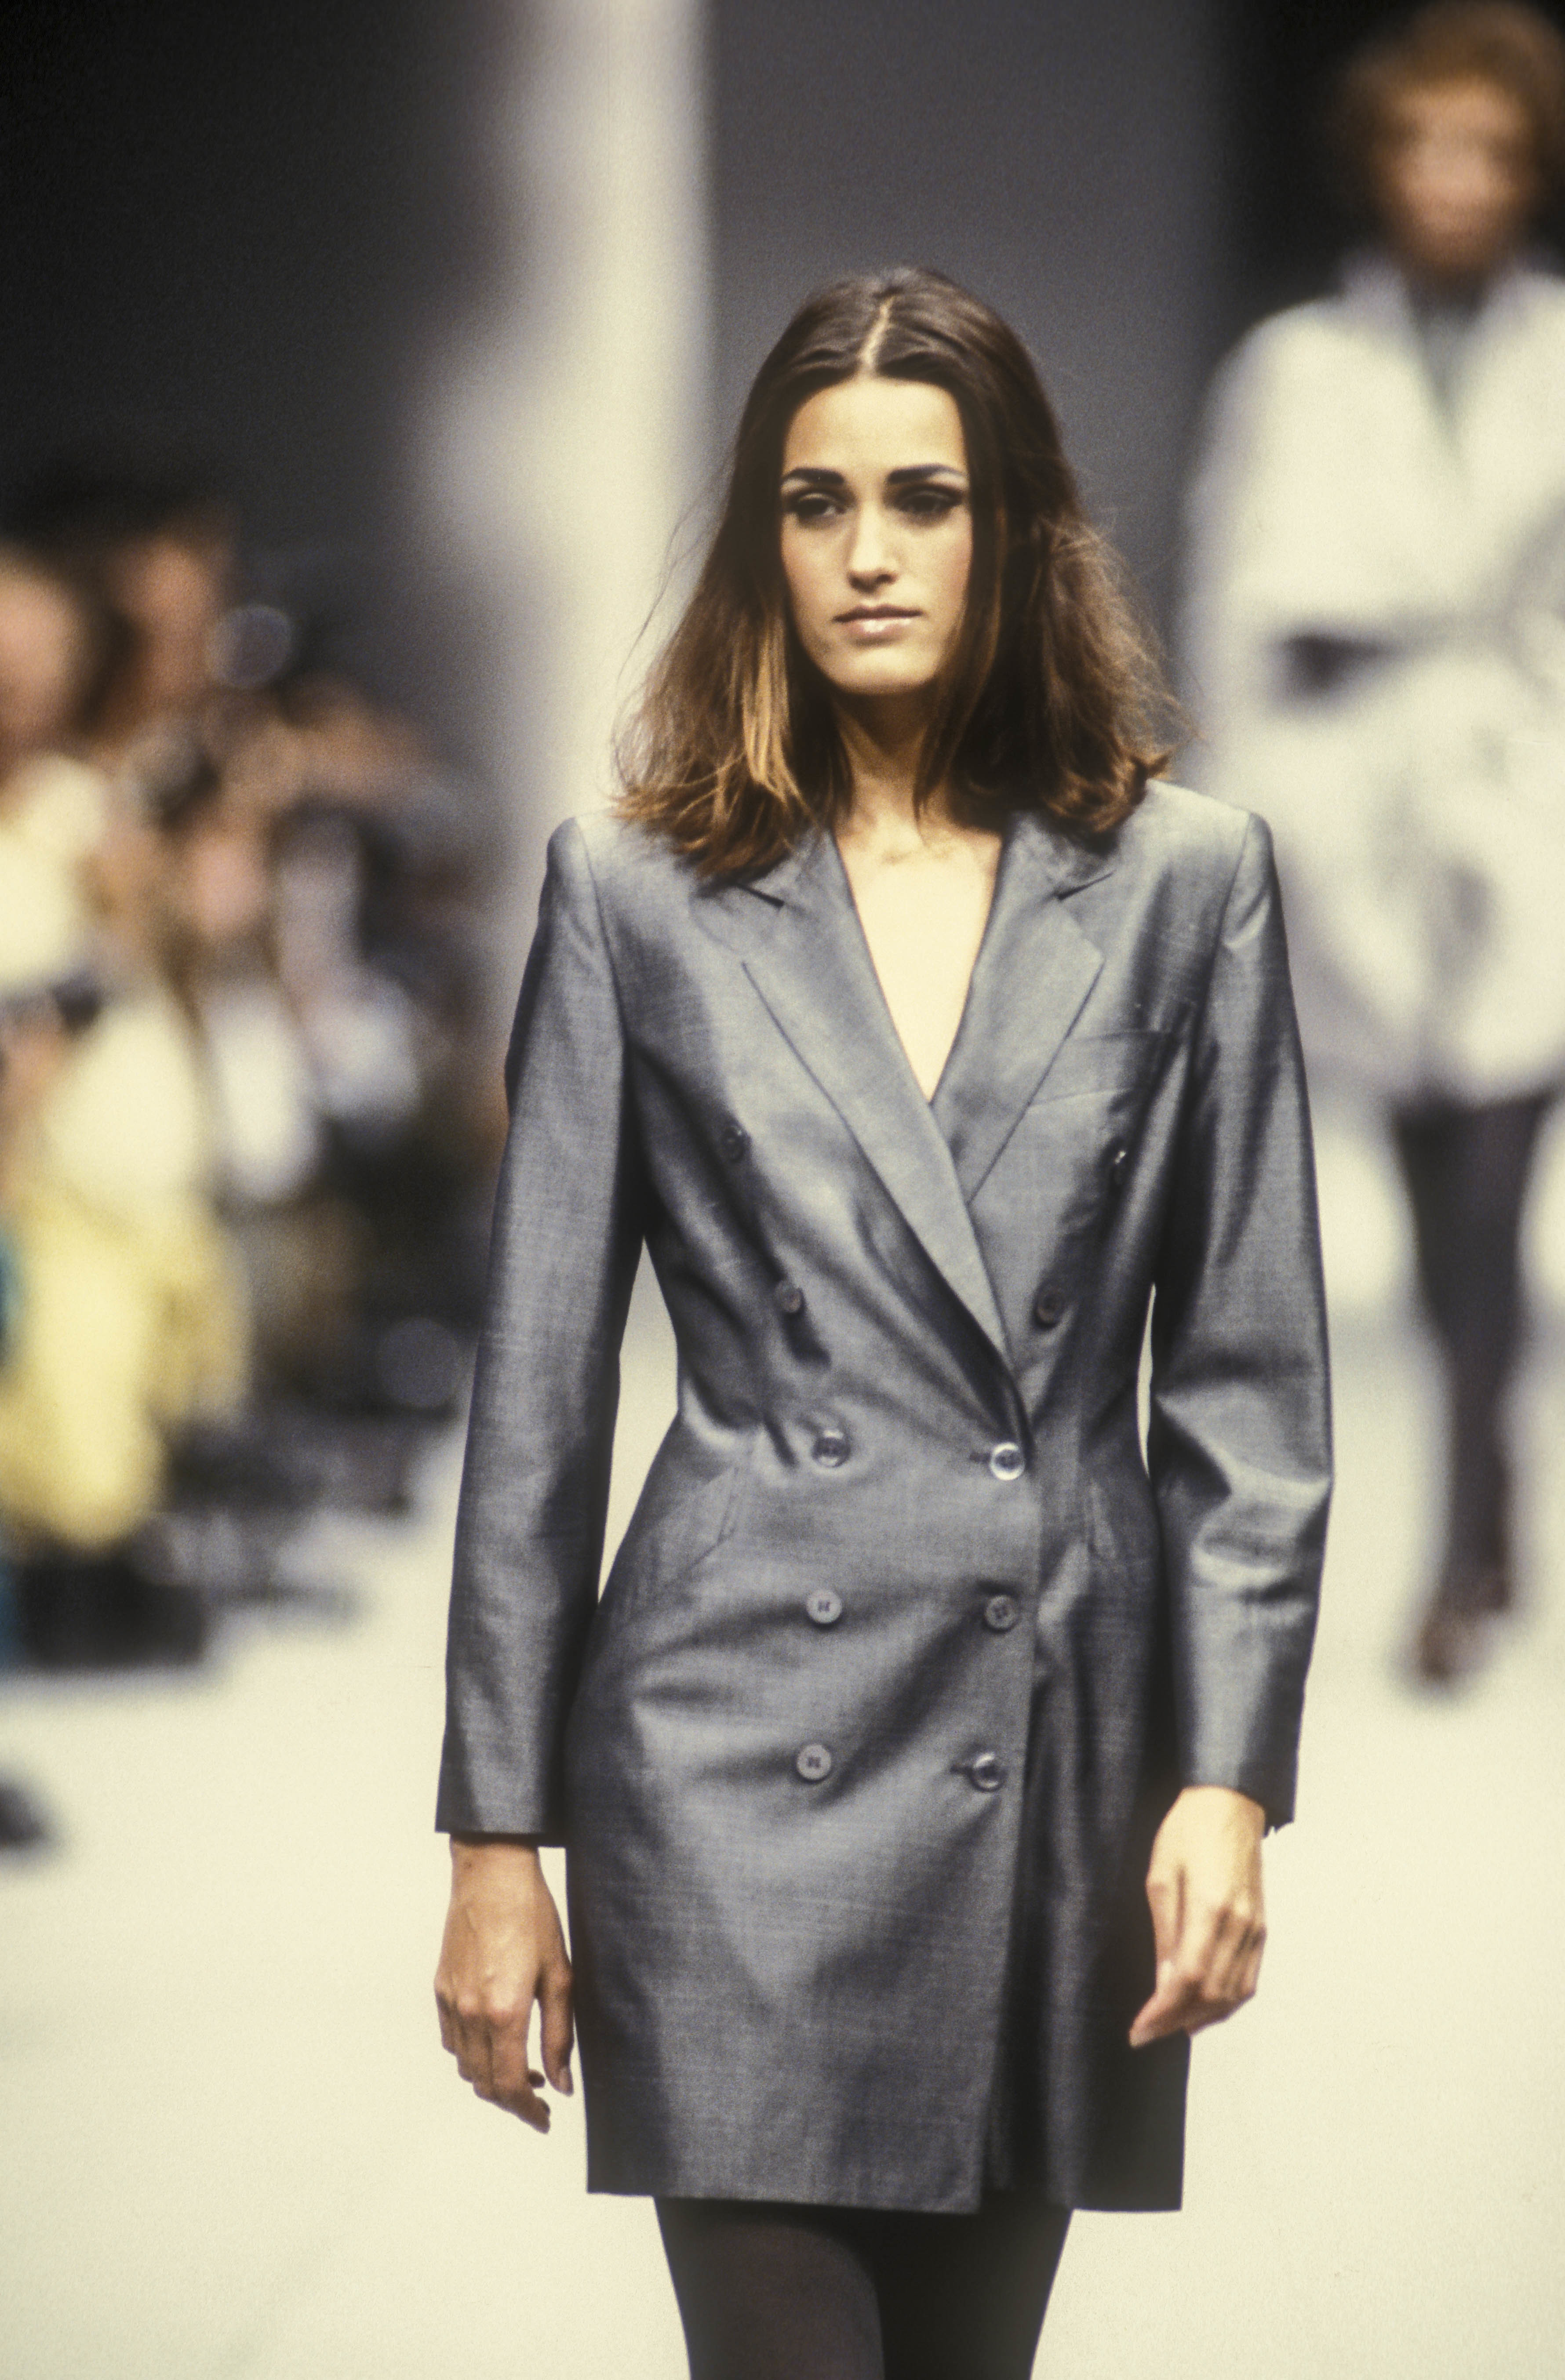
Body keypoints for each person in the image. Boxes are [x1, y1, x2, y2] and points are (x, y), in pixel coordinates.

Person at [434, 268, 1331, 2380]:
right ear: (761, 540)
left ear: (1013, 527)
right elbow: (539, 1394)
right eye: (812, 501)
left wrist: (1225, 1778)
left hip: (1045, 1753)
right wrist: (493, 1837)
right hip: (724, 1749)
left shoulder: (1184, 883)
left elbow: (1242, 1388)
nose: (864, 552)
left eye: (921, 498)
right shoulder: (634, 894)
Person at [1184, 0, 1565, 1686]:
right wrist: (1258, 811)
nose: (1456, 180)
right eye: (1428, 145)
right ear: (1378, 163)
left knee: (1496, 1166)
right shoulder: (1299, 369)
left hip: (1536, 794)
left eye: (1490, 149)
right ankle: (1490, 1491)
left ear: (1532, 168)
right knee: (1428, 1185)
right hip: (1362, 813)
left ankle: (1467, 1537)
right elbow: (1233, 600)